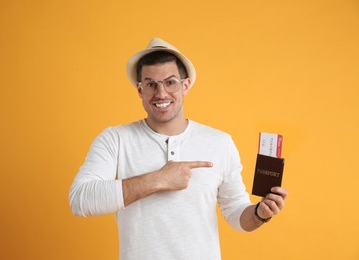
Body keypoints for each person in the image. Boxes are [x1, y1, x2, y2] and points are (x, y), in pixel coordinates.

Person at [69, 37, 288, 260]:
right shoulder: (115, 140)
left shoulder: (220, 142)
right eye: (151, 84)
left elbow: (236, 212)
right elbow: (80, 200)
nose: (161, 93)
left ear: (185, 85)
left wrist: (260, 214)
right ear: (140, 90)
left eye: (170, 82)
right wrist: (158, 179)